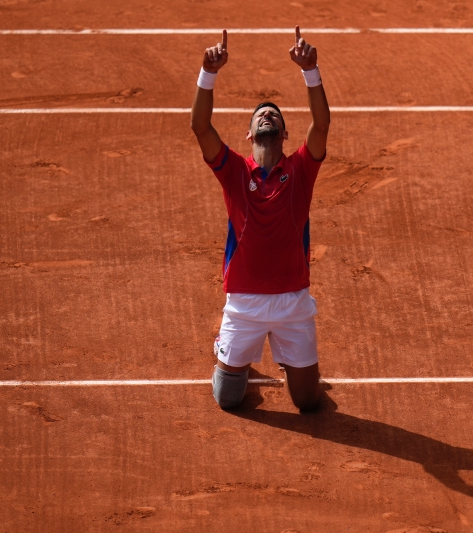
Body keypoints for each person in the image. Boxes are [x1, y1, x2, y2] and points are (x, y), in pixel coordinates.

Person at [190, 26, 330, 412]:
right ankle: (231, 354)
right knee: (227, 399)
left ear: (284, 133)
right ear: (249, 135)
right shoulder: (233, 170)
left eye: (273, 115)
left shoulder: (301, 169)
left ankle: (290, 365)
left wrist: (310, 72)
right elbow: (200, 127)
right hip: (244, 304)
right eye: (259, 115)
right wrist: (208, 73)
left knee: (308, 403)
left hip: (292, 302)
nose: (266, 114)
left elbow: (321, 126)